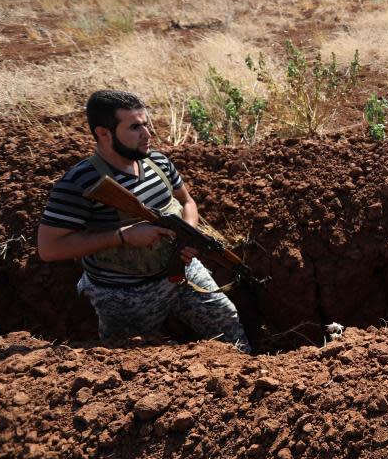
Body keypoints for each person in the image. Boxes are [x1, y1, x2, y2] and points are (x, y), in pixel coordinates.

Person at [37, 90, 252, 352]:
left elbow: (188, 202)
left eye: (146, 124)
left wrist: (188, 236)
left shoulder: (158, 162)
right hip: (125, 295)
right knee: (132, 357)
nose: (148, 134)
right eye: (135, 127)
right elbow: (49, 249)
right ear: (104, 133)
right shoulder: (80, 183)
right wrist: (123, 236)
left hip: (182, 272)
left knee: (228, 325)